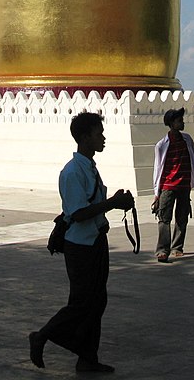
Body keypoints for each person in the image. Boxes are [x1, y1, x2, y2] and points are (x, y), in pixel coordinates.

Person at [29, 111, 135, 374]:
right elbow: (77, 213)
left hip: (96, 242)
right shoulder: (73, 171)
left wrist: (110, 206)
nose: (103, 137)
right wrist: (112, 204)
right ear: (85, 137)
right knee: (81, 303)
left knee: (97, 301)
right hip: (80, 247)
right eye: (98, 133)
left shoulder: (89, 167)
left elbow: (92, 205)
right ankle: (42, 335)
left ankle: (87, 357)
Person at [151, 107, 194, 263]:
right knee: (164, 218)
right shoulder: (161, 145)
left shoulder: (187, 139)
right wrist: (156, 193)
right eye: (179, 120)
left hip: (184, 185)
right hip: (168, 185)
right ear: (172, 123)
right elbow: (158, 169)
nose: (182, 122)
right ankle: (162, 250)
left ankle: (177, 247)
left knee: (182, 217)